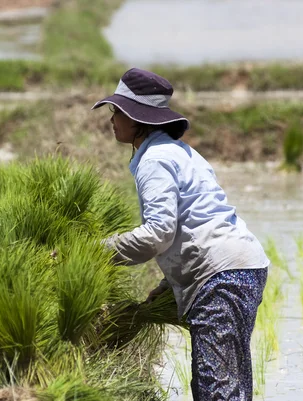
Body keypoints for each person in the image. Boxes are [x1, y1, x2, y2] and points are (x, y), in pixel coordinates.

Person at [92, 68, 270, 401]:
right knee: (227, 386)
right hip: (238, 269)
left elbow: (158, 233)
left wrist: (96, 250)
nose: (111, 119)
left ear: (136, 118)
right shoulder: (178, 151)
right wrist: (169, 285)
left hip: (220, 278)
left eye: (117, 111)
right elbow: (194, 220)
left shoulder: (155, 160)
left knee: (217, 391)